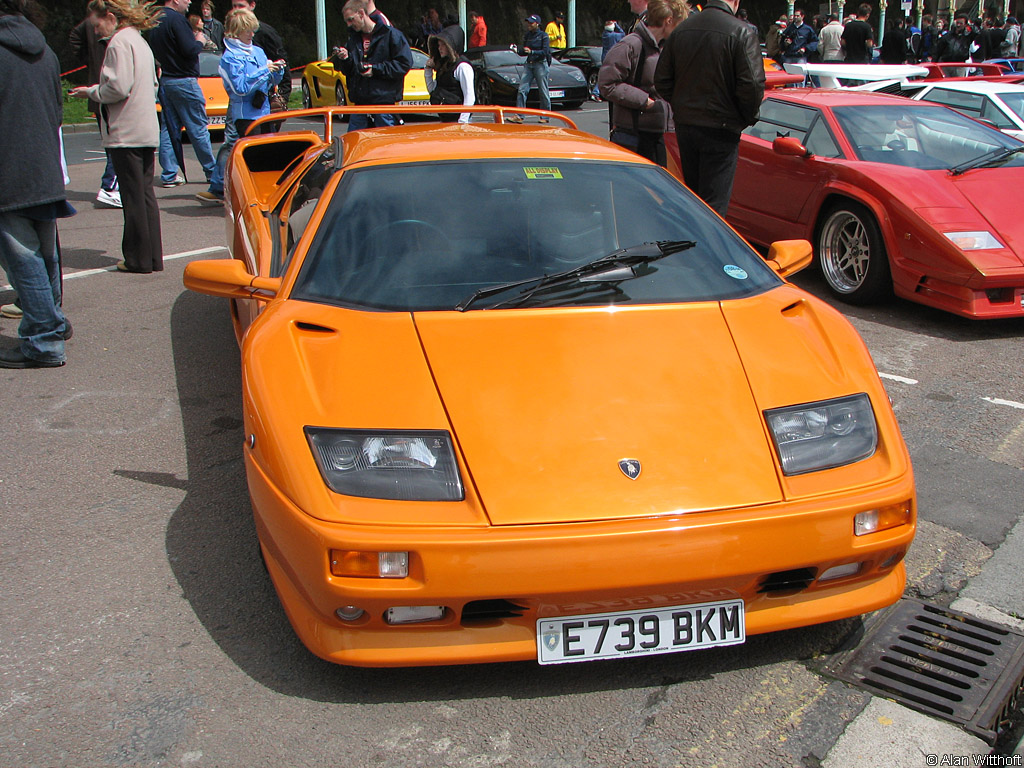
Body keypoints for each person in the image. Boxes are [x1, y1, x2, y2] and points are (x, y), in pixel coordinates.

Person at [0, 0, 73, 368]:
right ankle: (52, 323)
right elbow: (56, 110)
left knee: (23, 259)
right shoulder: (44, 51)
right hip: (44, 166)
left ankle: (44, 338)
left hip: (9, 170)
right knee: (45, 255)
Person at [71, 0, 163, 276]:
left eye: (97, 24)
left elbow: (117, 87)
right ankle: (153, 257)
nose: (96, 31)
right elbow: (154, 83)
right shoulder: (138, 40)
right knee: (145, 195)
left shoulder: (119, 43)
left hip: (126, 131)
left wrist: (92, 92)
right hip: (146, 128)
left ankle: (137, 258)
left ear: (111, 17)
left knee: (133, 197)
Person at [654, 0, 765, 217]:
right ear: (734, 2)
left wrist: (682, 105)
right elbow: (752, 85)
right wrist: (744, 117)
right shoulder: (741, 32)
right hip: (721, 127)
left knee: (694, 200)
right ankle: (706, 249)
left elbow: (662, 80)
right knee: (714, 206)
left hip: (688, 124)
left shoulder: (682, 30)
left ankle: (694, 245)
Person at [197, 7, 284, 204]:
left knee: (268, 156)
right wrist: (264, 70)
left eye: (253, 29)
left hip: (264, 111)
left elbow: (269, 82)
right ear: (237, 31)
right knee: (249, 156)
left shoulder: (258, 51)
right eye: (248, 30)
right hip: (244, 115)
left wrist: (277, 70)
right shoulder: (229, 58)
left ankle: (266, 195)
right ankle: (242, 195)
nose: (252, 34)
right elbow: (240, 88)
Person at [598, 0, 688, 166]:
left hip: (659, 132)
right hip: (635, 133)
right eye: (679, 23)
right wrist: (645, 101)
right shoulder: (631, 45)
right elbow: (607, 83)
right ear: (668, 20)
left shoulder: (665, 46)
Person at [148, 0, 218, 185]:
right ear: (175, 0)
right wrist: (200, 41)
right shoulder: (177, 20)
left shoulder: (156, 20)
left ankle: (169, 174)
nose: (189, 2)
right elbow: (189, 50)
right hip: (185, 81)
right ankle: (212, 172)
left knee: (169, 128)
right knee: (198, 128)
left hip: (167, 80)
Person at [333, 0, 412, 131]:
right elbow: (350, 71)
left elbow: (404, 64)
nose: (349, 25)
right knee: (354, 144)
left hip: (383, 104)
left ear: (361, 13)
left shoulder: (390, 34)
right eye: (347, 21)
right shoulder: (353, 39)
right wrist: (346, 59)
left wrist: (375, 70)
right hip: (360, 104)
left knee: (385, 145)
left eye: (351, 20)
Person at [70, 10, 121, 209]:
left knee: (113, 141)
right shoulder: (104, 24)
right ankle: (109, 186)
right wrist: (90, 59)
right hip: (105, 92)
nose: (97, 30)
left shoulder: (112, 32)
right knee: (115, 143)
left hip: (102, 89)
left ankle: (112, 186)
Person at [230, 0, 290, 109]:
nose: (237, 10)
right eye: (234, 6)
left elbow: (281, 61)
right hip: (240, 102)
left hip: (264, 98)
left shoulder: (266, 33)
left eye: (241, 6)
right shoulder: (230, 37)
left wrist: (283, 95)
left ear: (252, 5)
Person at [506, 14, 551, 123]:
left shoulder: (543, 36)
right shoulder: (528, 35)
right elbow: (524, 51)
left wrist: (532, 52)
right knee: (522, 89)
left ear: (537, 24)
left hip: (540, 64)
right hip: (529, 64)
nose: (529, 25)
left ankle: (545, 116)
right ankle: (519, 115)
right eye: (528, 23)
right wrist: (517, 50)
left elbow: (545, 52)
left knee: (543, 91)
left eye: (531, 23)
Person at [425, 26, 474, 123]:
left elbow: (469, 96)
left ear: (451, 46)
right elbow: (433, 90)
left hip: (459, 120)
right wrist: (428, 70)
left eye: (443, 45)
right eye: (439, 45)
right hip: (445, 119)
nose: (440, 48)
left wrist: (463, 121)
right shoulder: (444, 65)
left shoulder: (462, 66)